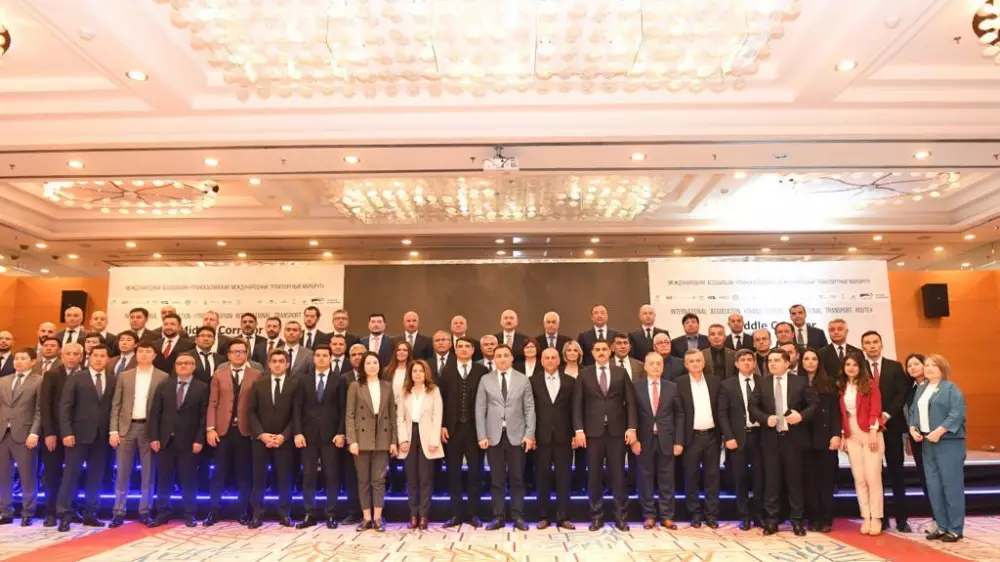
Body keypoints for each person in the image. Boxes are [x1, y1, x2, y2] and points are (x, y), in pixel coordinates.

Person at [750, 348, 817, 536]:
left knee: (795, 481)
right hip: (771, 439)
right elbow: (752, 406)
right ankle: (772, 520)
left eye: (777, 360)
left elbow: (814, 404)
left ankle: (797, 520)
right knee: (772, 481)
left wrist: (801, 416)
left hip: (793, 440)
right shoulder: (762, 382)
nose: (772, 363)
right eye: (770, 360)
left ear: (787, 363)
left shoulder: (800, 381)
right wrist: (765, 418)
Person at [573, 339, 636, 532]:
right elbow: (577, 404)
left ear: (610, 352)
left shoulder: (621, 372)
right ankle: (596, 517)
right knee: (594, 476)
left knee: (618, 476)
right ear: (592, 353)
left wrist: (632, 427)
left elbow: (631, 402)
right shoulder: (584, 374)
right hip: (593, 433)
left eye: (604, 349)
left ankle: (620, 517)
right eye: (597, 349)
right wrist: (579, 430)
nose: (601, 352)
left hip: (617, 432)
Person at [56, 344, 116, 531]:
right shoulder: (77, 377)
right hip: (77, 435)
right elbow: (65, 407)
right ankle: (65, 515)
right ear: (89, 358)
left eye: (103, 356)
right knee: (71, 476)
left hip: (101, 437)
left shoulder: (113, 378)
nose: (99, 359)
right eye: (95, 355)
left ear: (108, 359)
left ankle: (91, 514)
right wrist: (66, 432)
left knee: (96, 477)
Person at [109, 341, 168, 527]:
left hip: (149, 430)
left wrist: (158, 434)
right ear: (136, 354)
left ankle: (145, 511)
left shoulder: (163, 377)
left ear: (154, 355)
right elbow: (116, 404)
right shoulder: (124, 376)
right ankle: (119, 511)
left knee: (148, 473)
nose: (144, 354)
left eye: (148, 351)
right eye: (140, 351)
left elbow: (164, 409)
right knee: (122, 472)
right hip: (126, 428)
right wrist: (113, 430)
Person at [204, 338, 263, 526]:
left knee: (243, 474)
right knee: (218, 473)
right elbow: (213, 403)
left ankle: (243, 511)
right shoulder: (219, 374)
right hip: (222, 431)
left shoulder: (257, 375)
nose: (238, 355)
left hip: (245, 431)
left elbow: (259, 405)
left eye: (241, 351)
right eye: (234, 351)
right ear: (228, 355)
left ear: (247, 354)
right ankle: (213, 511)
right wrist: (210, 428)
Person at [475, 344, 534, 531]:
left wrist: (529, 434)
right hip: (493, 436)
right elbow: (480, 409)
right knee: (496, 479)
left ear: (511, 358)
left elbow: (529, 409)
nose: (502, 358)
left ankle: (518, 516)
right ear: (494, 359)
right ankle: (498, 516)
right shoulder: (485, 379)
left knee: (517, 478)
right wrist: (482, 435)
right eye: (498, 355)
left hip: (517, 436)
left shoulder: (523, 379)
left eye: (505, 355)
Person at [910, 354, 966, 543]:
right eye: (927, 365)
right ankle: (942, 526)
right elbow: (913, 411)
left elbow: (957, 413)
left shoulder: (951, 389)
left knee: (951, 485)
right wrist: (913, 428)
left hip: (948, 442)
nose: (929, 368)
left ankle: (955, 528)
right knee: (933, 486)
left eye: (934, 365)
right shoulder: (921, 389)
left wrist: (940, 431)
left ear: (942, 368)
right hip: (927, 443)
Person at [147, 354, 208, 528]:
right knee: (164, 479)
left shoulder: (202, 387)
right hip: (165, 441)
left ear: (193, 367)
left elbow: (204, 417)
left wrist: (199, 439)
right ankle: (162, 513)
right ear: (175, 366)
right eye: (180, 363)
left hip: (189, 442)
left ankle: (189, 513)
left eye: (187, 363)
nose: (183, 366)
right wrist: (154, 437)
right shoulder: (164, 386)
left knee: (188, 479)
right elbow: (155, 414)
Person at [861, 330, 911, 532]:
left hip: (892, 426)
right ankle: (880, 517)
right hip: (868, 430)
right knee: (874, 475)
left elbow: (901, 394)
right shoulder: (860, 368)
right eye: (867, 343)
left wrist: (887, 414)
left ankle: (902, 519)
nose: (872, 346)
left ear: (881, 345)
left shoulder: (894, 367)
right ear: (863, 347)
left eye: (875, 342)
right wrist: (872, 419)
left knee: (896, 472)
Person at [294, 344, 346, 529]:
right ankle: (309, 513)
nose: (322, 358)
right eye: (318, 355)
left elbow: (343, 409)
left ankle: (331, 513)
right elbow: (297, 407)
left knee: (331, 475)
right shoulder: (303, 380)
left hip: (331, 436)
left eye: (325, 355)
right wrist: (298, 432)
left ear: (331, 358)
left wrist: (341, 432)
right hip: (308, 435)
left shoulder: (339, 380)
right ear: (313, 358)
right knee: (308, 475)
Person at [247, 350, 301, 528]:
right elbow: (252, 412)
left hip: (284, 440)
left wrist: (284, 435)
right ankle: (257, 514)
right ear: (269, 364)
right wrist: (261, 434)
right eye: (274, 361)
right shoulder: (258, 384)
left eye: (281, 361)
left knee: (285, 478)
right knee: (259, 477)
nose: (277, 364)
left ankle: (285, 513)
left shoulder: (295, 385)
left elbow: (297, 414)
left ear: (287, 364)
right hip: (261, 439)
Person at [346, 351, 398, 532]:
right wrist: (352, 440)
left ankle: (377, 518)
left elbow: (392, 416)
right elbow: (350, 415)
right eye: (368, 363)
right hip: (361, 439)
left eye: (375, 362)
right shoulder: (355, 386)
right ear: (363, 366)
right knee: (363, 481)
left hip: (382, 437)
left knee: (379, 480)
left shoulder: (387, 386)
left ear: (380, 365)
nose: (372, 366)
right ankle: (366, 518)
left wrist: (393, 441)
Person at [439, 337, 487, 528]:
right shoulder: (447, 371)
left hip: (475, 429)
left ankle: (474, 513)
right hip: (453, 430)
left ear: (473, 350)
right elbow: (441, 400)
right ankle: (455, 513)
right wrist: (442, 425)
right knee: (453, 472)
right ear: (455, 350)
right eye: (460, 346)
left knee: (476, 472)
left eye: (467, 346)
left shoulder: (482, 371)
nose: (464, 349)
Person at [632, 352, 683, 530]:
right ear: (645, 366)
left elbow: (679, 415)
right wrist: (634, 440)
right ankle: (648, 516)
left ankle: (667, 516)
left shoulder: (672, 387)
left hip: (666, 439)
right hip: (643, 440)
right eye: (652, 363)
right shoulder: (636, 387)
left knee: (667, 479)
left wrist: (679, 441)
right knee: (644, 479)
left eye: (658, 364)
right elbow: (631, 414)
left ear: (663, 367)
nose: (655, 366)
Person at [838, 351, 884, 536]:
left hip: (870, 432)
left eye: (855, 365)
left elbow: (876, 409)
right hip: (851, 434)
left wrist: (873, 431)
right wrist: (843, 435)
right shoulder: (841, 386)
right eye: (848, 364)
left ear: (860, 367)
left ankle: (877, 517)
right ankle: (866, 516)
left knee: (873, 477)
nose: (851, 368)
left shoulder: (870, 384)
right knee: (859, 478)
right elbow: (842, 414)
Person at [529, 348, 576, 530]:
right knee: (542, 477)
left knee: (564, 477)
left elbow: (574, 409)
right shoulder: (532, 381)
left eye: (553, 357)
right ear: (541, 361)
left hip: (564, 436)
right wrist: (530, 434)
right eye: (546, 357)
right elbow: (529, 409)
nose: (550, 360)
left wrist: (575, 433)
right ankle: (544, 516)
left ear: (559, 360)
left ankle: (563, 517)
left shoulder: (570, 381)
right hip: (541, 437)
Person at [718, 349, 764, 530]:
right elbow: (722, 414)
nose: (746, 362)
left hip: (759, 436)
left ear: (754, 363)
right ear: (736, 364)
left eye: (749, 359)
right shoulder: (727, 385)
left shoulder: (763, 382)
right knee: (740, 477)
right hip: (737, 438)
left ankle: (759, 515)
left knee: (760, 477)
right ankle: (744, 516)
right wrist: (728, 436)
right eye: (742, 360)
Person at [675, 350, 721, 528]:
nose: (695, 363)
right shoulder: (679, 383)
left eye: (698, 360)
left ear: (703, 362)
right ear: (686, 365)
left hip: (712, 435)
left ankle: (711, 514)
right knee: (691, 476)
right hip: (691, 437)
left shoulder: (715, 381)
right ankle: (695, 513)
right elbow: (677, 414)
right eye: (691, 361)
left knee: (712, 476)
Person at [397, 360, 443, 530]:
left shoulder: (433, 391)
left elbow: (437, 416)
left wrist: (434, 440)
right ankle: (413, 515)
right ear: (410, 374)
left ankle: (424, 515)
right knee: (411, 480)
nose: (417, 374)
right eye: (414, 371)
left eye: (421, 371)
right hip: (409, 436)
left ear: (426, 373)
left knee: (425, 479)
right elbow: (400, 418)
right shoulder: (405, 392)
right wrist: (402, 439)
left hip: (427, 437)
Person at [39, 342, 80, 527]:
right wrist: (49, 432)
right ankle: (50, 511)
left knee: (73, 474)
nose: (71, 357)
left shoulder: (85, 375)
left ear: (81, 357)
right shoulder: (52, 375)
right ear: (62, 356)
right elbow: (45, 405)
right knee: (52, 472)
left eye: (75, 354)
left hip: (76, 433)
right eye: (68, 353)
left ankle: (70, 509)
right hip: (54, 433)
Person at [0, 348, 42, 526]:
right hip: (3, 433)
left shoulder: (39, 380)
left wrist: (34, 432)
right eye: (16, 358)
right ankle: (5, 511)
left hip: (25, 434)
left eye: (23, 358)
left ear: (33, 361)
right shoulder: (3, 380)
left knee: (27, 476)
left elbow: (39, 410)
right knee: (3, 476)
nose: (18, 361)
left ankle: (28, 512)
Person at [801, 348, 841, 533]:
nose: (810, 362)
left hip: (826, 437)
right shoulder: (797, 382)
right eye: (806, 359)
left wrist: (836, 434)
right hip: (805, 438)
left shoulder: (829, 382)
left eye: (814, 359)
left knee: (826, 481)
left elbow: (835, 411)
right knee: (809, 482)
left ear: (819, 362)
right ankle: (813, 519)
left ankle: (826, 519)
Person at [903, 353, 934, 531]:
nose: (913, 368)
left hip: (935, 439)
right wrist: (909, 436)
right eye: (909, 366)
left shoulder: (936, 387)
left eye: (916, 364)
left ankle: (945, 519)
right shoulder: (910, 390)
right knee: (924, 478)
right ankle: (936, 518)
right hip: (917, 439)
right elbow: (908, 415)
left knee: (936, 479)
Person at [338, 343, 368, 525]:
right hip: (351, 433)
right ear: (349, 359)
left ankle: (374, 512)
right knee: (351, 475)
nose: (357, 357)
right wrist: (344, 433)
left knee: (373, 476)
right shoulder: (344, 379)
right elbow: (341, 409)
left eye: (361, 354)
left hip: (372, 433)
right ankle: (353, 511)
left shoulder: (377, 377)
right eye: (354, 354)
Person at [561, 339, 586, 491]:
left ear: (579, 353)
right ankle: (566, 485)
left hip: (583, 416)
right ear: (564, 354)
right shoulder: (558, 370)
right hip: (563, 417)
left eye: (575, 350)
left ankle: (580, 484)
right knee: (564, 453)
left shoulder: (586, 371)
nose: (572, 353)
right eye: (569, 350)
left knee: (582, 453)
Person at [385, 339, 413, 405]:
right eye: (398, 350)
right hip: (390, 407)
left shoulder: (413, 370)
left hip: (407, 406)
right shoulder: (386, 371)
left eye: (404, 350)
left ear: (409, 353)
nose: (401, 352)